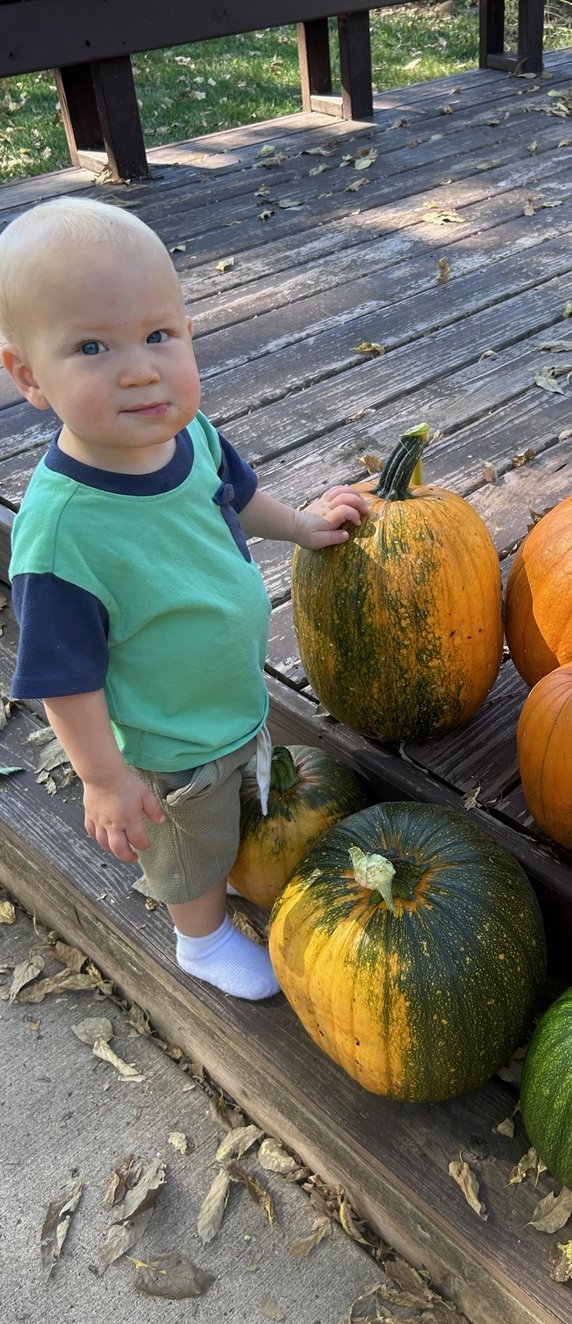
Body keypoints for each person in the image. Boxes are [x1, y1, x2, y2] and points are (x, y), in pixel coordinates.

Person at [0, 196, 368, 1000]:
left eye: (158, 335)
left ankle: (217, 874)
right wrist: (104, 777)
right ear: (28, 375)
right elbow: (65, 676)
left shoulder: (188, 435)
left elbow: (238, 497)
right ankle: (197, 939)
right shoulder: (64, 532)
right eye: (92, 346)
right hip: (169, 745)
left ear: (188, 332)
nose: (139, 368)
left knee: (231, 810)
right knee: (186, 843)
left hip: (231, 699)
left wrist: (302, 526)